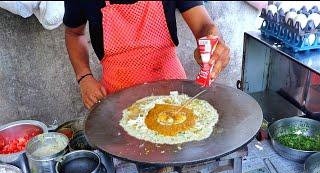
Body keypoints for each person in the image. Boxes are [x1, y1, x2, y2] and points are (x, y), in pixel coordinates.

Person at [63, 0, 230, 109]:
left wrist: (212, 40)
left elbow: (203, 25)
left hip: (172, 95)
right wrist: (84, 77)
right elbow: (74, 34)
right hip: (115, 100)